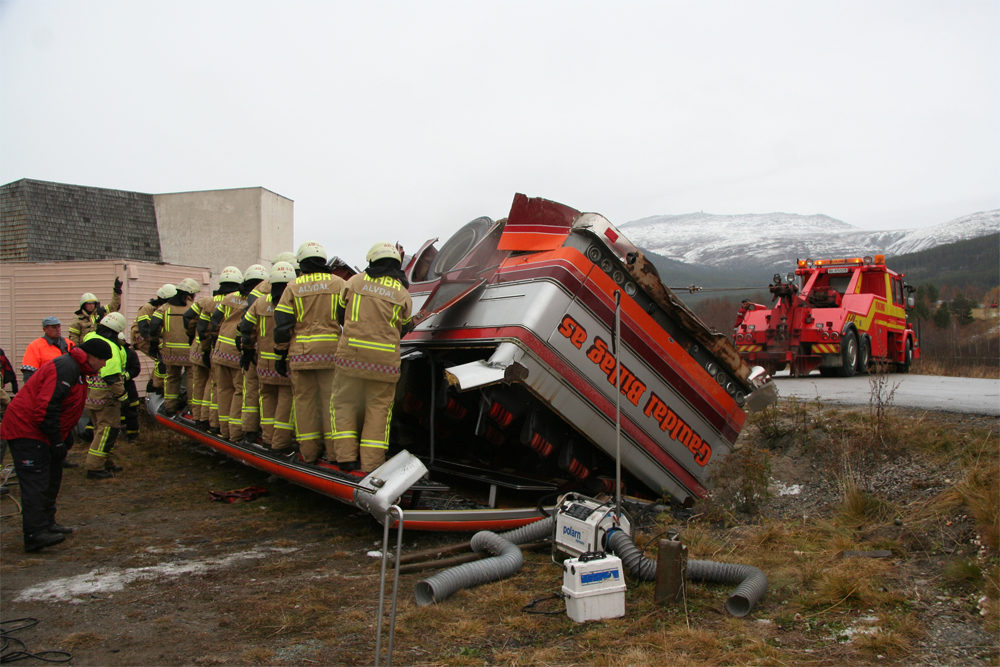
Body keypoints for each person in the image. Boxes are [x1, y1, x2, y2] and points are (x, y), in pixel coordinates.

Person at [0, 337, 113, 551]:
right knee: (36, 482)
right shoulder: (65, 368)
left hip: (43, 432)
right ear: (92, 357)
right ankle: (34, 534)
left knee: (52, 477)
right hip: (27, 431)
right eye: (104, 360)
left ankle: (47, 524)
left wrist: (63, 437)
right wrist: (56, 440)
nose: (105, 365)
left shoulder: (77, 370)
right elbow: (46, 406)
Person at [331, 242, 413, 472]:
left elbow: (339, 314)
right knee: (378, 412)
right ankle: (372, 465)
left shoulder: (354, 283)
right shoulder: (401, 292)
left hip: (350, 360)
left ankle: (345, 458)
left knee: (344, 405)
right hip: (385, 365)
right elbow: (404, 328)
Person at [274, 241, 346, 463]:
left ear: (301, 263)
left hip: (301, 355)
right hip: (331, 354)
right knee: (331, 404)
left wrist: (280, 354)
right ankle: (334, 454)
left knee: (304, 404)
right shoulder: (339, 284)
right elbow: (349, 318)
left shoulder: (293, 287)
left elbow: (283, 325)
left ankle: (310, 453)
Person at [241, 261, 296, 452]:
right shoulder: (294, 301)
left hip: (264, 363)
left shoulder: (260, 302)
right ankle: (280, 445)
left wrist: (247, 349)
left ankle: (267, 440)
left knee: (267, 401)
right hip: (286, 364)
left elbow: (246, 327)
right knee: (285, 404)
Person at [204, 266, 250, 441]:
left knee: (222, 390)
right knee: (239, 392)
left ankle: (223, 429)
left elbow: (213, 321)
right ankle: (235, 433)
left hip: (220, 350)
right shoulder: (255, 300)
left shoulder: (229, 299)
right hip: (237, 352)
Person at [82, 312, 128, 478]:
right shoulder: (111, 347)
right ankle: (94, 467)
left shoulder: (90, 337)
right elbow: (111, 377)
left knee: (99, 431)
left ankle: (105, 462)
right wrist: (123, 396)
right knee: (106, 431)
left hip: (91, 394)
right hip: (106, 398)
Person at [149, 284, 198, 415]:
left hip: (170, 352)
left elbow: (153, 326)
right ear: (189, 294)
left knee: (171, 377)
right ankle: (193, 409)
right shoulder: (193, 307)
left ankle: (170, 407)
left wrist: (155, 341)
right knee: (192, 378)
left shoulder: (165, 308)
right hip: (189, 352)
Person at [132, 284, 176, 395]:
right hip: (141, 338)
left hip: (153, 338)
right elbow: (144, 329)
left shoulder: (163, 308)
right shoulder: (147, 308)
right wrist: (154, 344)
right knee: (162, 357)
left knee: (163, 357)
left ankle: (153, 383)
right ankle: (157, 385)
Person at [20, 317, 74, 385]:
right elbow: (28, 373)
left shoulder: (69, 344)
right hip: (46, 386)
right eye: (54, 327)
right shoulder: (35, 346)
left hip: (67, 386)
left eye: (58, 326)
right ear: (45, 329)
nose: (58, 329)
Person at [68, 277, 122, 345]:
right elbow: (73, 337)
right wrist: (77, 351)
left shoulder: (101, 312)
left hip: (100, 347)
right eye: (89, 304)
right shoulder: (77, 319)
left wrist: (117, 291)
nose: (91, 306)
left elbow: (114, 306)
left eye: (93, 303)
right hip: (85, 349)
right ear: (83, 305)